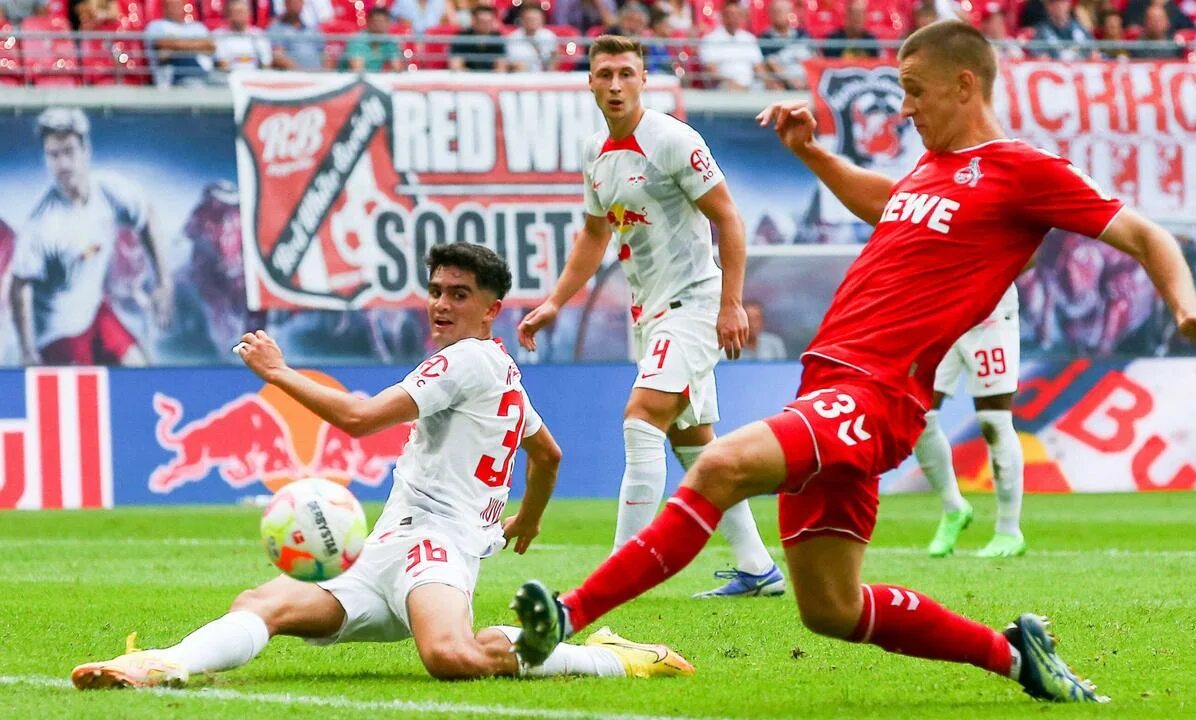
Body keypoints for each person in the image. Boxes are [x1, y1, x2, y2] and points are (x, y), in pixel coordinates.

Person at [508, 20, 1196, 703]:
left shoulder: (1024, 171)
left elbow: (1145, 234)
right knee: (832, 608)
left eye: (914, 90)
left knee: (721, 465)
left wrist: (1185, 309)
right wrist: (811, 155)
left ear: (965, 84)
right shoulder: (933, 172)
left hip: (879, 394)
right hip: (830, 384)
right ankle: (1017, 657)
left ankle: (568, 614)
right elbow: (884, 202)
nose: (904, 107)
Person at [70, 243, 692, 690]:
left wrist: (279, 372)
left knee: (451, 656)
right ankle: (161, 664)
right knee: (263, 601)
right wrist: (526, 519)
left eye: (459, 294)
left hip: (437, 549)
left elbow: (360, 418)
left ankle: (610, 657)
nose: (441, 304)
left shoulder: (465, 361)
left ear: (491, 309)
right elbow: (548, 455)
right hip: (383, 551)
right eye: (436, 291)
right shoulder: (499, 368)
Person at [518, 35, 785, 598]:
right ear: (590, 83)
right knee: (694, 440)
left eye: (626, 74)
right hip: (652, 313)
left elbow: (729, 219)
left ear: (643, 79)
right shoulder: (595, 152)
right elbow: (594, 235)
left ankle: (617, 576)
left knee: (642, 420)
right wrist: (556, 302)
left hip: (694, 303)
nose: (616, 85)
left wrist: (731, 302)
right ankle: (758, 569)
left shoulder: (673, 140)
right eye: (605, 75)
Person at [11, 108, 172, 367]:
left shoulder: (109, 190)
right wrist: (27, 350)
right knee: (90, 390)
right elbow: (19, 286)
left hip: (95, 312)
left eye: (69, 152)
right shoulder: (42, 224)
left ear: (86, 150)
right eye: (54, 155)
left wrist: (164, 282)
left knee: (139, 370)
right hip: (60, 331)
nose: (63, 164)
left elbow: (147, 217)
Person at [913, 285, 1028, 558]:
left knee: (993, 420)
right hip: (941, 311)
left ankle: (1008, 530)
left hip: (989, 314)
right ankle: (954, 508)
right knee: (917, 414)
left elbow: (1027, 261)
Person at [144, 0, 216, 86]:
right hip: (174, 82)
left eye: (178, 5)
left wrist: (177, 45)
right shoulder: (157, 25)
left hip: (204, 78)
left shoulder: (198, 26)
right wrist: (197, 44)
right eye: (171, 5)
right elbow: (163, 44)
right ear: (164, 8)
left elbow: (210, 46)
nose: (175, 8)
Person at [699, 1, 765, 91]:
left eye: (737, 15)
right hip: (724, 87)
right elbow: (711, 70)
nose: (734, 18)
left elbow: (758, 67)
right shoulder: (710, 39)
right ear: (723, 16)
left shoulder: (749, 38)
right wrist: (732, 84)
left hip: (750, 87)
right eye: (730, 14)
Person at [213, 0, 273, 74]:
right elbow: (222, 64)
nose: (238, 16)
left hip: (255, 76)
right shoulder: (218, 35)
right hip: (229, 77)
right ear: (227, 14)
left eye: (241, 12)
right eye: (235, 12)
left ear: (249, 13)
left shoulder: (259, 35)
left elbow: (266, 63)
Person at [341, 7, 405, 72]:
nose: (380, 25)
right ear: (368, 22)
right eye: (376, 21)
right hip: (346, 77)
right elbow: (357, 70)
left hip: (374, 77)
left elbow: (397, 68)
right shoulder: (357, 41)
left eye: (384, 21)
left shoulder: (389, 42)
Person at [267, 0, 326, 70]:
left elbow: (324, 54)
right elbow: (278, 57)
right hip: (293, 75)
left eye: (299, 1)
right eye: (292, 2)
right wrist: (301, 72)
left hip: (318, 74)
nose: (296, 5)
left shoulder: (312, 28)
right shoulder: (276, 28)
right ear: (286, 4)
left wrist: (326, 72)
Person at [448, 4, 508, 71]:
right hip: (467, 76)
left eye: (489, 21)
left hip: (491, 76)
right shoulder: (462, 37)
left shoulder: (497, 38)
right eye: (482, 22)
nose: (486, 25)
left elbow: (501, 66)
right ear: (473, 20)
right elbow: (456, 65)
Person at [504, 4, 557, 71]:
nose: (532, 22)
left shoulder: (549, 36)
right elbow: (512, 60)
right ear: (522, 20)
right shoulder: (513, 37)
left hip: (543, 74)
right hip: (520, 73)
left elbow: (552, 64)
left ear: (542, 20)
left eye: (535, 19)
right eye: (529, 19)